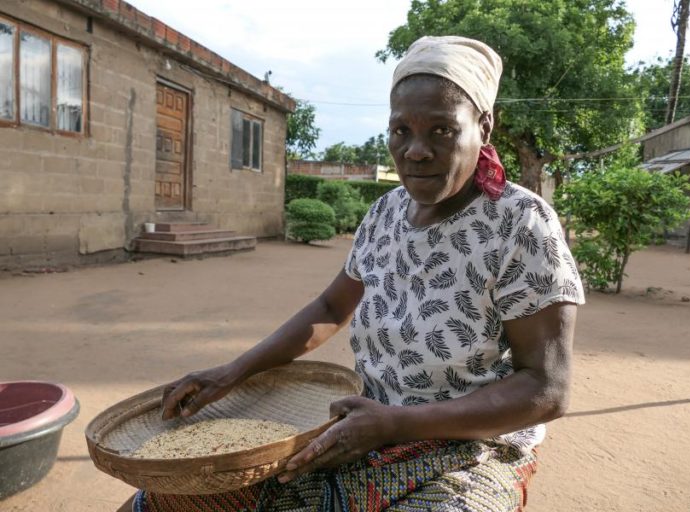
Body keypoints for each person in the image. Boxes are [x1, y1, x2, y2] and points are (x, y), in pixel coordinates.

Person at [119, 35, 584, 512]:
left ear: (484, 127)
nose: (416, 150)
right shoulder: (385, 214)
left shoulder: (520, 223)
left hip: (472, 447)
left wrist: (395, 425)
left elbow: (545, 387)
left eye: (442, 130)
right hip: (361, 425)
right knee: (172, 499)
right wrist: (230, 373)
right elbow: (329, 307)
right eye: (401, 130)